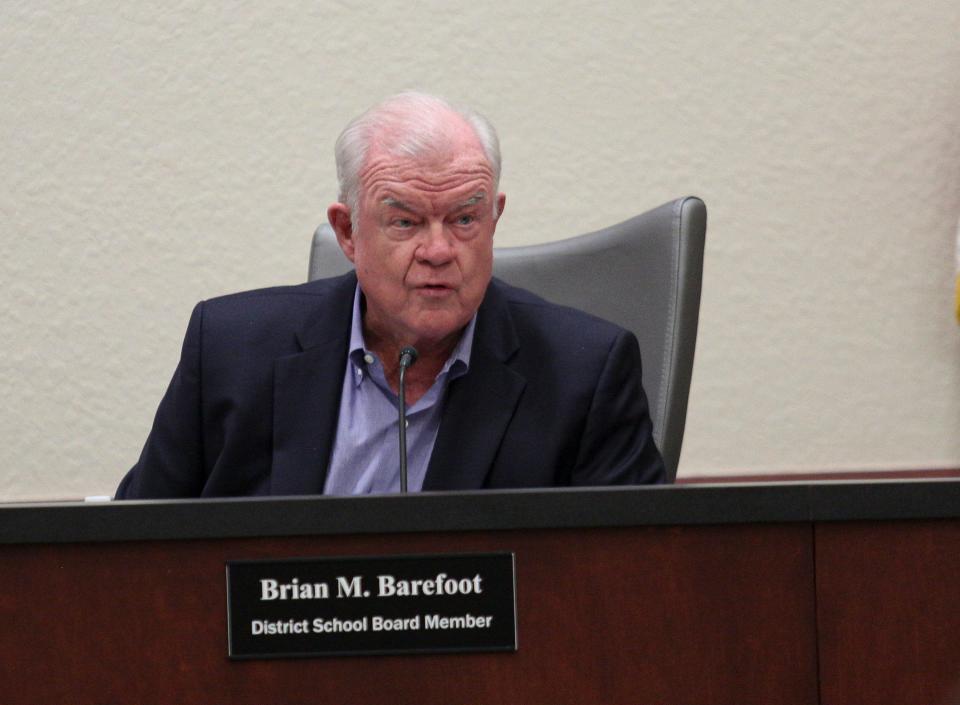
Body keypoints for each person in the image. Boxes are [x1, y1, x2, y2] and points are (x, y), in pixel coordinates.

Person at [116, 92, 664, 498]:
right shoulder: (229, 351)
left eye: (465, 218)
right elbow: (132, 554)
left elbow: (626, 589)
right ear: (348, 232)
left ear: (494, 219)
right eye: (404, 222)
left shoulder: (586, 375)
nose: (439, 249)